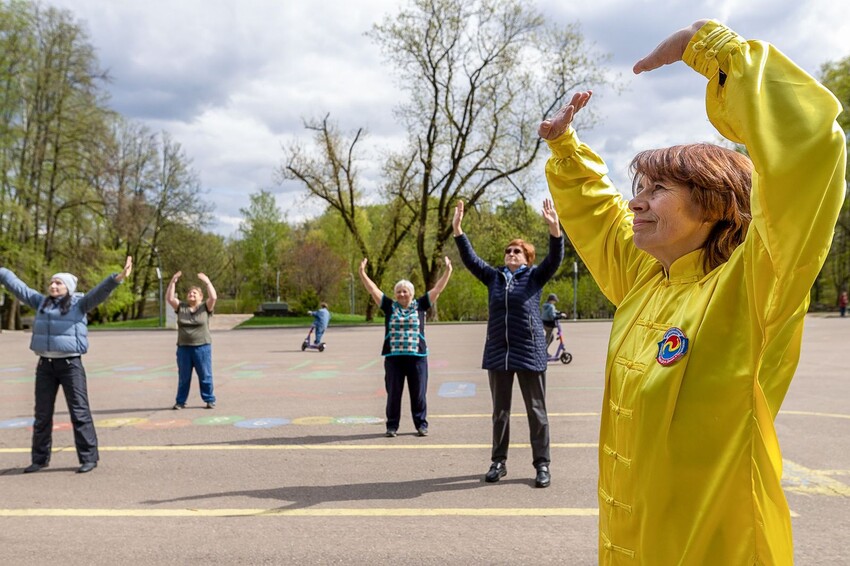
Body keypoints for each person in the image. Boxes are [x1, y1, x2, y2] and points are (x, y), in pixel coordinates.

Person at [538, 19, 845, 563]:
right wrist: (565, 148)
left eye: (658, 188)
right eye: (638, 187)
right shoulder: (646, 279)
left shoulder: (752, 286)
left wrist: (711, 48)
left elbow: (806, 153)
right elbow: (600, 216)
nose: (636, 202)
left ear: (715, 205)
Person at [453, 199, 565, 488]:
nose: (511, 253)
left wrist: (555, 230)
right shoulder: (494, 278)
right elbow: (471, 259)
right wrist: (458, 230)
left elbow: (554, 260)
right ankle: (498, 462)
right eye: (508, 250)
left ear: (527, 258)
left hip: (529, 351)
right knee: (500, 413)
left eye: (517, 251)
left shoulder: (534, 277)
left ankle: (542, 465)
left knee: (536, 411)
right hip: (498, 353)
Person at [0, 256, 133, 474]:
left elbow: (100, 292)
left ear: (68, 287)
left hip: (70, 365)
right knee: (42, 415)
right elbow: (18, 287)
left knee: (79, 412)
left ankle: (89, 457)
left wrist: (117, 278)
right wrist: (3, 272)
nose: (53, 286)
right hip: (45, 366)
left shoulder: (80, 304)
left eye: (58, 283)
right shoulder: (40, 302)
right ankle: (39, 459)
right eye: (52, 282)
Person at [358, 256, 452, 438]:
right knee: (393, 394)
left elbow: (438, 289)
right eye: (398, 292)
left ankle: (421, 424)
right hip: (394, 359)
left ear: (411, 293)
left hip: (417, 358)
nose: (401, 294)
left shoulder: (421, 305)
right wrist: (362, 273)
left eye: (405, 291)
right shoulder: (389, 306)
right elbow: (372, 289)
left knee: (419, 394)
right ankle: (392, 426)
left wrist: (448, 271)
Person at [166, 271, 218, 409]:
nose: (191, 294)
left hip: (202, 347)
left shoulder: (205, 307)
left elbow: (213, 297)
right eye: (190, 293)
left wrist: (207, 282)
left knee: (205, 375)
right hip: (184, 348)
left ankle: (209, 399)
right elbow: (170, 298)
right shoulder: (181, 307)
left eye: (195, 293)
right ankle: (180, 401)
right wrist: (173, 281)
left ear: (201, 297)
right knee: (184, 377)